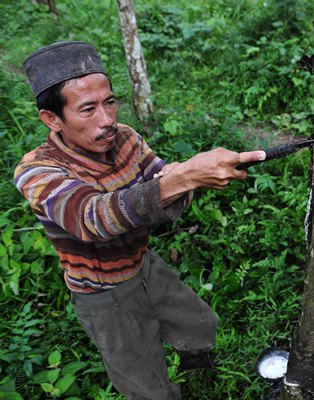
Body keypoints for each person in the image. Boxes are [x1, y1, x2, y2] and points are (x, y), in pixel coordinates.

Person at [14, 41, 266, 400]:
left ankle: (201, 373)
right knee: (147, 386)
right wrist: (187, 177)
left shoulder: (125, 137)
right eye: (88, 109)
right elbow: (92, 219)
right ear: (52, 118)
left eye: (110, 102)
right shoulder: (37, 171)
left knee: (200, 326)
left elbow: (158, 177)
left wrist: (190, 171)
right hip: (103, 293)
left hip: (144, 264)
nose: (107, 120)